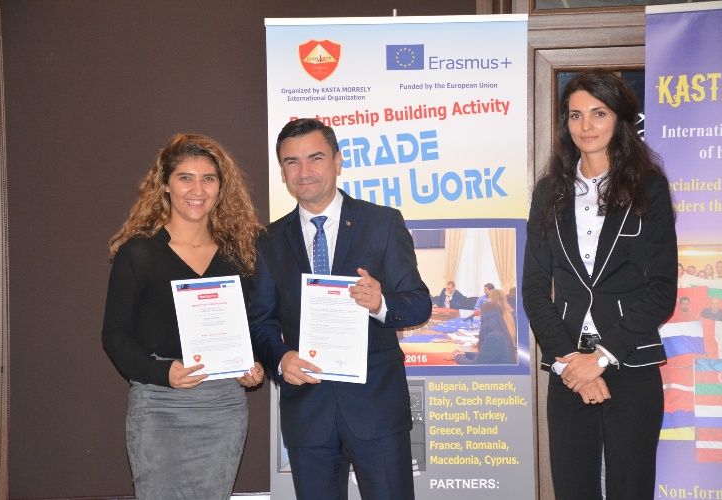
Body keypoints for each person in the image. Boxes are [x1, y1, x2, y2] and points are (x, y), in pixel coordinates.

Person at [247, 118, 431, 500]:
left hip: (376, 409)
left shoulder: (382, 223)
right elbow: (260, 322)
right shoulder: (268, 240)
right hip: (307, 413)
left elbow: (418, 304)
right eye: (292, 162)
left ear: (338, 161)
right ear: (282, 171)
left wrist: (381, 303)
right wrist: (280, 359)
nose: (304, 171)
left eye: (315, 158)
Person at [522, 70, 677, 500]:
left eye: (598, 113)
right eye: (575, 115)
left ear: (620, 119)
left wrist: (603, 357)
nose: (585, 126)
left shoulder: (648, 189)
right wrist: (573, 362)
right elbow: (534, 288)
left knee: (630, 489)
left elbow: (662, 289)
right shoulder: (549, 192)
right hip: (568, 364)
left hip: (630, 360)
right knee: (573, 489)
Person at [102, 134, 264, 499]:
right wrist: (162, 372)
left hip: (224, 405)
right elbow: (115, 334)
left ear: (221, 187)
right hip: (160, 404)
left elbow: (255, 325)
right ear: (165, 184)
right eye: (185, 178)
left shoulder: (239, 255)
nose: (198, 190)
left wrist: (253, 364)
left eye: (208, 178)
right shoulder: (140, 252)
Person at [453, 289, 517, 365]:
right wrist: (464, 354)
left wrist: (458, 357)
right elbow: (485, 356)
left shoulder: (494, 337)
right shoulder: (500, 330)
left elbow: (475, 364)